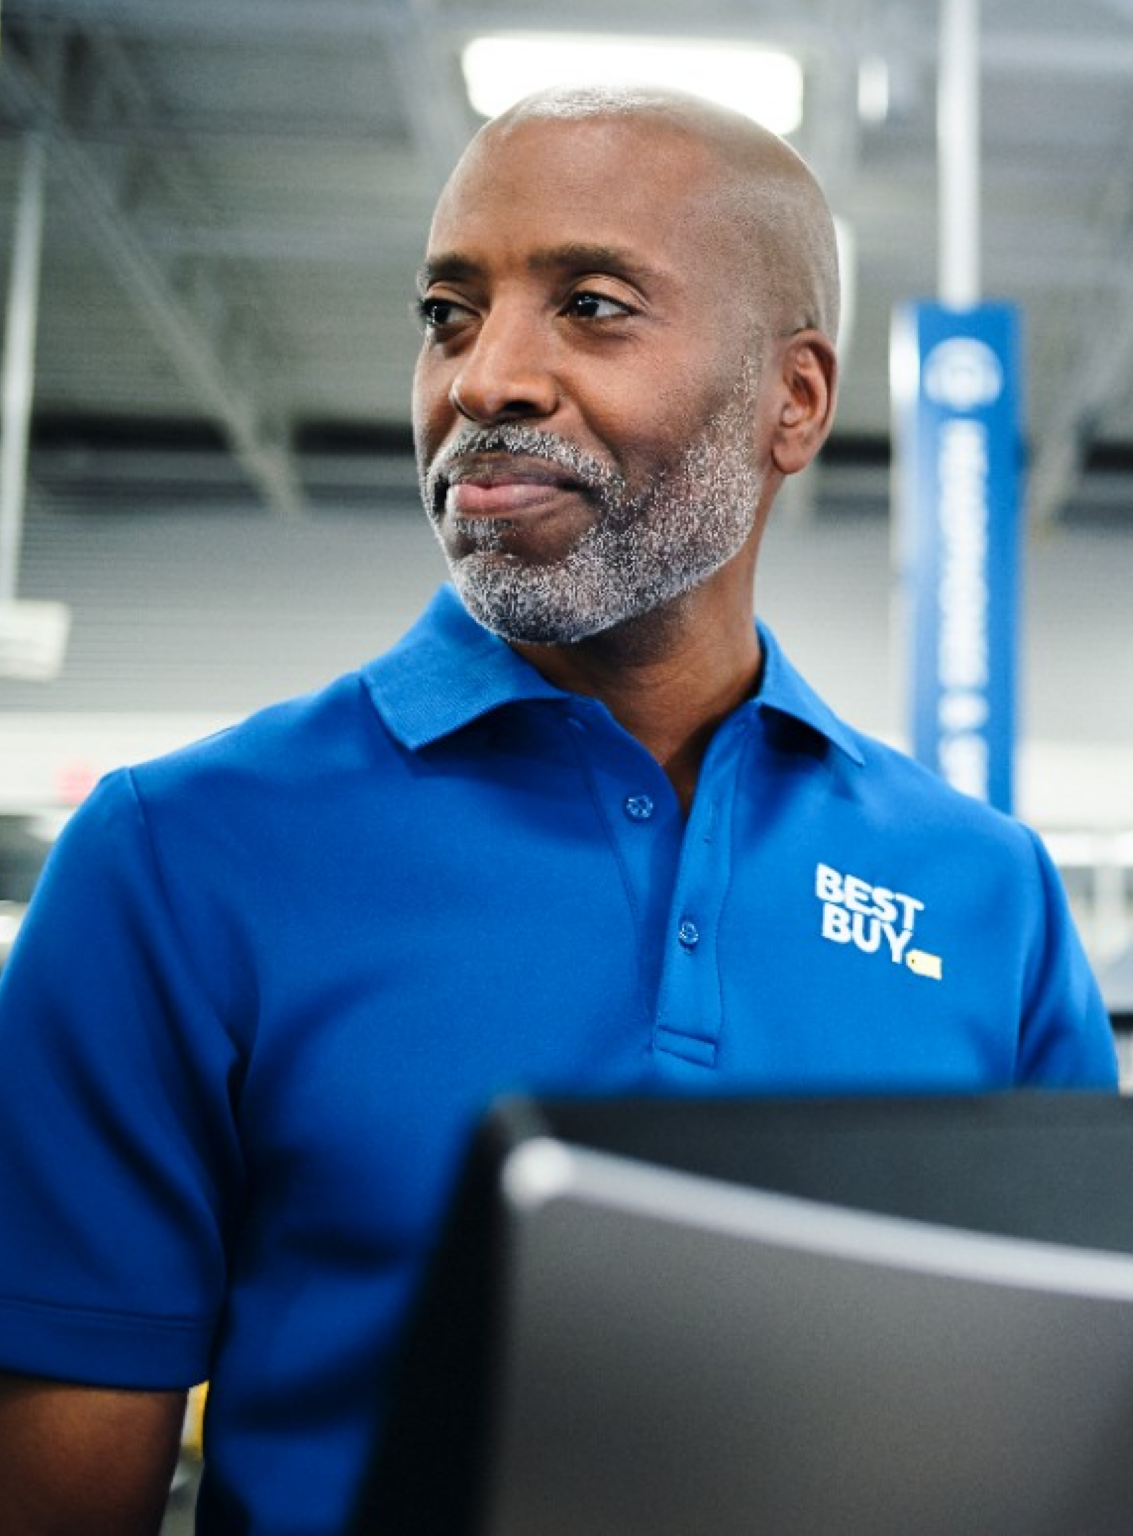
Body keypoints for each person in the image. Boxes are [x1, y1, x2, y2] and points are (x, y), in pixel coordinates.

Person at [0, 86, 1116, 1535]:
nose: (484, 379)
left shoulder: (990, 899)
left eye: (589, 305)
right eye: (448, 313)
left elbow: (1080, 1434)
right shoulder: (175, 860)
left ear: (795, 401)